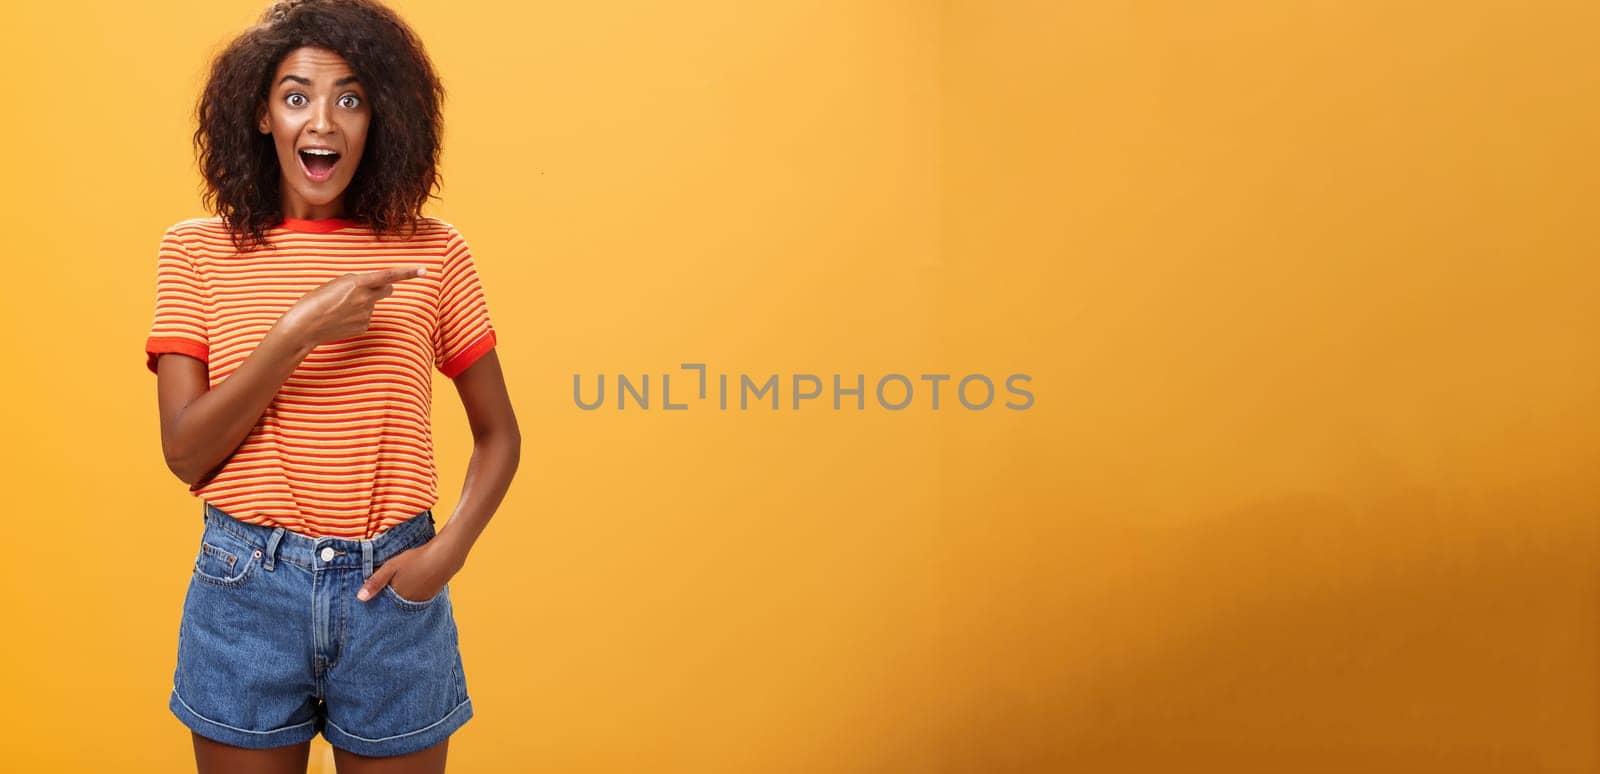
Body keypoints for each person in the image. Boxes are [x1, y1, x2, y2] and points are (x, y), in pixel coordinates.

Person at [144, 1, 520, 771]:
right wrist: (298, 331)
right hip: (245, 588)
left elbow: (499, 434)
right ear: (260, 114)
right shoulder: (195, 253)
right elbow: (185, 453)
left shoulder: (432, 252)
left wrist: (446, 554)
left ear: (380, 117)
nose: (323, 122)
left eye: (350, 99)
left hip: (393, 594)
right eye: (296, 97)